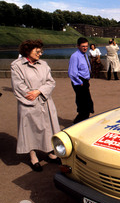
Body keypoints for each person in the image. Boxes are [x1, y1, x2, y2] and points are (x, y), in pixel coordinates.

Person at [11, 39, 61, 172]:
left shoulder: (44, 64)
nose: (40, 54)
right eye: (37, 51)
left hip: (45, 101)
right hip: (29, 104)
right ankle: (33, 156)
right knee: (30, 130)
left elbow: (51, 82)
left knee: (48, 128)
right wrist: (32, 95)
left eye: (41, 51)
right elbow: (18, 86)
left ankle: (50, 153)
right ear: (28, 50)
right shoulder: (17, 66)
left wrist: (39, 91)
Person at [68, 37, 94, 124]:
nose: (85, 48)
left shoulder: (85, 55)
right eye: (83, 46)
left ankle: (82, 122)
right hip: (79, 82)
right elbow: (72, 72)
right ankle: (76, 124)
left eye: (86, 46)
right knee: (83, 105)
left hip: (85, 81)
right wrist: (80, 82)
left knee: (87, 104)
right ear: (78, 46)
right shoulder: (75, 56)